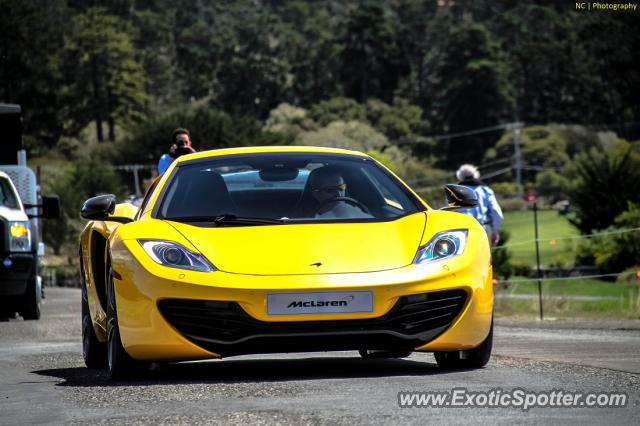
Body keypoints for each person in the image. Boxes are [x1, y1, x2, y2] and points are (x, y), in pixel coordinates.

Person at [456, 164, 503, 246]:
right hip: (483, 228)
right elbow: (496, 212)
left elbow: (449, 213)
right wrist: (495, 231)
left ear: (459, 176)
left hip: (463, 232)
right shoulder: (485, 190)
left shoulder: (454, 192)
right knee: (485, 258)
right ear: (475, 174)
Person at [305, 166, 371, 219]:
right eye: (330, 190)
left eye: (341, 188)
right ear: (316, 193)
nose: (338, 194)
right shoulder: (303, 218)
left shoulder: (355, 210)